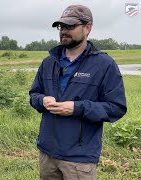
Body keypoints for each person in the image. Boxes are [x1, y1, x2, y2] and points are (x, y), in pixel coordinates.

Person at [29, 4, 127, 180]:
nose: (64, 31)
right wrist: (42, 100)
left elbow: (116, 107)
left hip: (79, 160)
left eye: (70, 26)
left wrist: (77, 108)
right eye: (61, 26)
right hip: (47, 155)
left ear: (87, 27)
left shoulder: (104, 65)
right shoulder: (49, 62)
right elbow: (34, 94)